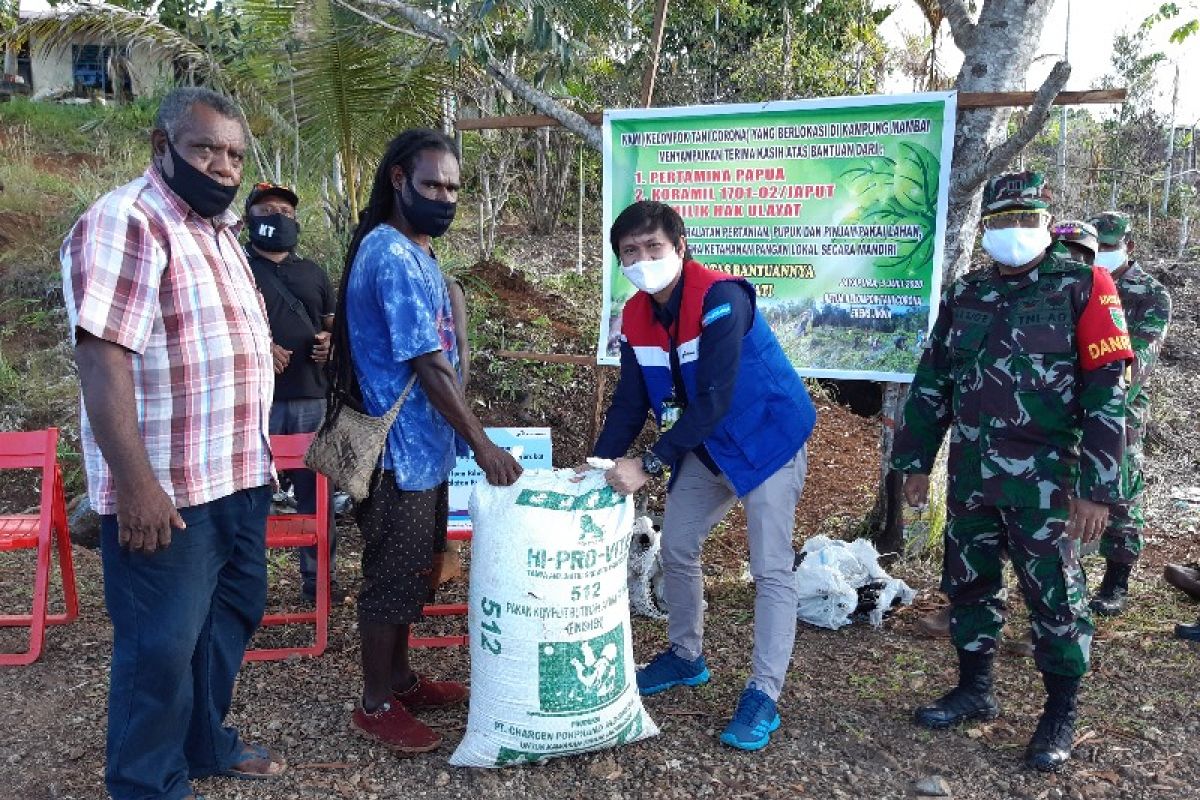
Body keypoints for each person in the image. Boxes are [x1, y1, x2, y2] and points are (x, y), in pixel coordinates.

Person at [61, 87, 285, 800]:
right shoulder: (127, 222)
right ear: (161, 147)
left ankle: (202, 744)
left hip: (238, 476)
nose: (222, 166)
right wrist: (135, 485)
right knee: (158, 648)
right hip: (170, 489)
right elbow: (103, 358)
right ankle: (145, 783)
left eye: (233, 155)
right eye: (205, 148)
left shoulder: (218, 230)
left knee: (229, 618)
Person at [892, 171, 1132, 772]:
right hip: (973, 475)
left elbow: (1109, 392)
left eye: (1026, 219)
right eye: (1000, 222)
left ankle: (1059, 714)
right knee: (970, 584)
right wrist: (915, 461)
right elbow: (934, 381)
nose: (1013, 232)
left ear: (1047, 223)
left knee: (1055, 598)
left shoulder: (1085, 285)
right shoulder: (968, 292)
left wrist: (1098, 489)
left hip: (1050, 483)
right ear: (985, 228)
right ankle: (974, 688)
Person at [590, 200, 816, 752]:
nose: (644, 259)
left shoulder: (722, 299)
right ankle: (686, 657)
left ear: (681, 247)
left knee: (768, 569)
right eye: (631, 252)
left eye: (654, 248)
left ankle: (764, 692)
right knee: (680, 546)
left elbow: (713, 398)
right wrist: (596, 462)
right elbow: (631, 400)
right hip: (709, 446)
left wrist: (647, 464)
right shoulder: (637, 316)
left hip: (767, 440)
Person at [326, 128, 522, 753]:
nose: (446, 197)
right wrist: (484, 445)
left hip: (424, 454)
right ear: (399, 182)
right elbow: (430, 366)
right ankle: (376, 703)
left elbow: (444, 343)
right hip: (396, 457)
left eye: (454, 188)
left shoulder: (418, 252)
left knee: (417, 572)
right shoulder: (389, 255)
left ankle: (404, 679)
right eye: (434, 185)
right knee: (391, 579)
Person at [243, 181, 338, 603]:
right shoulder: (235, 268)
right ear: (249, 218)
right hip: (251, 403)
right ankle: (245, 586)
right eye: (266, 209)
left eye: (284, 209)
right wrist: (259, 348)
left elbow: (335, 325)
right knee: (248, 496)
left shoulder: (313, 272)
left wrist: (330, 344)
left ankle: (317, 584)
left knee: (315, 494)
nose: (277, 216)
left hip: (310, 400)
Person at [1085, 211, 1172, 616]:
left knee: (1120, 495)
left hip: (1121, 413)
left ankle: (1115, 582)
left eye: (1107, 247)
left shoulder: (1149, 295)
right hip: (1069, 408)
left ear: (1128, 246)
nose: (1099, 254)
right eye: (1095, 246)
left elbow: (1134, 362)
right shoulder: (1076, 284)